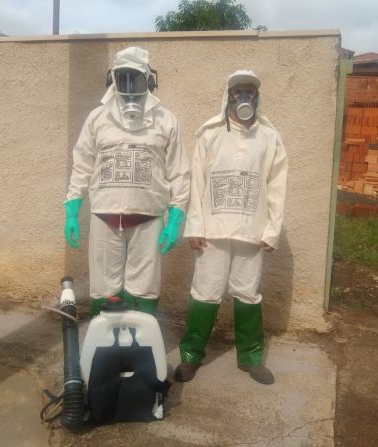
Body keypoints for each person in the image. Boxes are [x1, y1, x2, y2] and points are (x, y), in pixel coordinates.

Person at [174, 70, 288, 385]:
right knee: (205, 292)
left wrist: (271, 230)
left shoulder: (269, 137)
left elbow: (277, 186)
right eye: (239, 91)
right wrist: (194, 226)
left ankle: (251, 358)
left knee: (248, 293)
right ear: (229, 95)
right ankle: (191, 356)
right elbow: (196, 183)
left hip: (252, 230)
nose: (245, 97)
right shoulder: (209, 134)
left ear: (257, 96)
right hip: (213, 230)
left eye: (250, 91)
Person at [64, 46, 189, 317]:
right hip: (104, 216)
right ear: (113, 81)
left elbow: (179, 171)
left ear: (150, 81)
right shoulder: (98, 118)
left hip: (148, 217)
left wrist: (176, 217)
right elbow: (82, 163)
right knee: (103, 286)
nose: (130, 87)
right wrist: (72, 208)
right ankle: (107, 349)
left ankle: (140, 349)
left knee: (144, 288)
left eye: (136, 79)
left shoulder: (166, 121)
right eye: (124, 79)